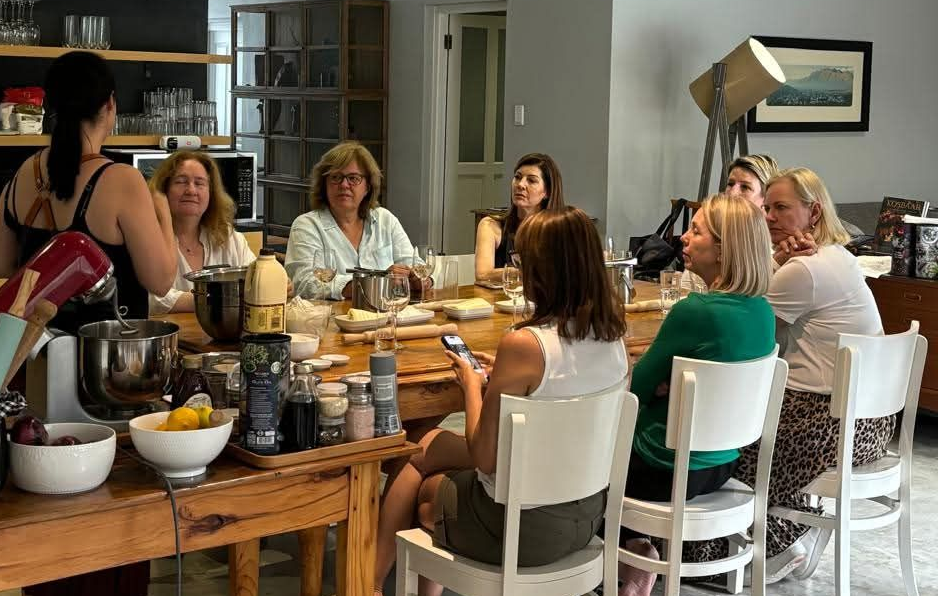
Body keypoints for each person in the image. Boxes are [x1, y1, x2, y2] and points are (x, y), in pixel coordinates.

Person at [0, 52, 176, 596]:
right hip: (109, 386)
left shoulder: (23, 174)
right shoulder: (119, 181)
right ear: (109, 106)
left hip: (33, 379)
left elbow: (2, 267)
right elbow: (162, 279)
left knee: (47, 528)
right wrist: (161, 216)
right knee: (112, 531)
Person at [373, 207, 628, 596]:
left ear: (544, 270)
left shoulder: (525, 345)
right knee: (427, 443)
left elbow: (484, 458)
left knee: (422, 479)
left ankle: (367, 584)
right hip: (588, 516)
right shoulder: (614, 340)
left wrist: (473, 386)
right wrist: (504, 380)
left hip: (521, 530)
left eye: (523, 259)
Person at [699, 168, 892, 584]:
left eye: (781, 208)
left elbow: (741, 326)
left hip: (827, 422)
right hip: (869, 421)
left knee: (721, 446)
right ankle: (780, 539)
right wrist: (777, 257)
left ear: (814, 211)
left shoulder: (804, 270)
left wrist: (775, 260)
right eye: (766, 207)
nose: (768, 216)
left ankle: (764, 548)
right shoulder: (836, 257)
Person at [619, 194, 776, 596]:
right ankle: (632, 551)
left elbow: (633, 393)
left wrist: (657, 387)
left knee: (577, 455)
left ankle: (611, 557)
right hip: (723, 463)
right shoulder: (762, 310)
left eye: (697, 230)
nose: (683, 238)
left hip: (663, 467)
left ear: (724, 249)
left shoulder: (696, 311)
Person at [284, 141, 426, 300]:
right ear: (324, 185)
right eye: (336, 177)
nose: (344, 185)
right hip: (332, 320)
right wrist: (375, 283)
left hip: (387, 316)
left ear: (368, 186)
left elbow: (418, 267)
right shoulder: (306, 226)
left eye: (353, 178)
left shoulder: (385, 220)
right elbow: (305, 283)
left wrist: (417, 279)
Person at [147, 151, 256, 313]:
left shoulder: (228, 236)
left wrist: (272, 281)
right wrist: (214, 299)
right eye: (181, 182)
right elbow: (150, 298)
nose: (191, 191)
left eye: (199, 183)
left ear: (211, 194)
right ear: (164, 191)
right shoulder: (147, 238)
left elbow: (255, 278)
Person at [680, 153, 779, 293]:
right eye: (730, 184)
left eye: (745, 187)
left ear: (766, 199)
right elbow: (686, 299)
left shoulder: (774, 253)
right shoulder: (706, 247)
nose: (732, 193)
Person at [474, 152, 565, 283]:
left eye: (531, 180)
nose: (520, 185)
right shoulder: (490, 225)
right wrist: (529, 272)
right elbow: (483, 274)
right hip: (502, 300)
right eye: (517, 177)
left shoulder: (558, 228)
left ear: (547, 192)